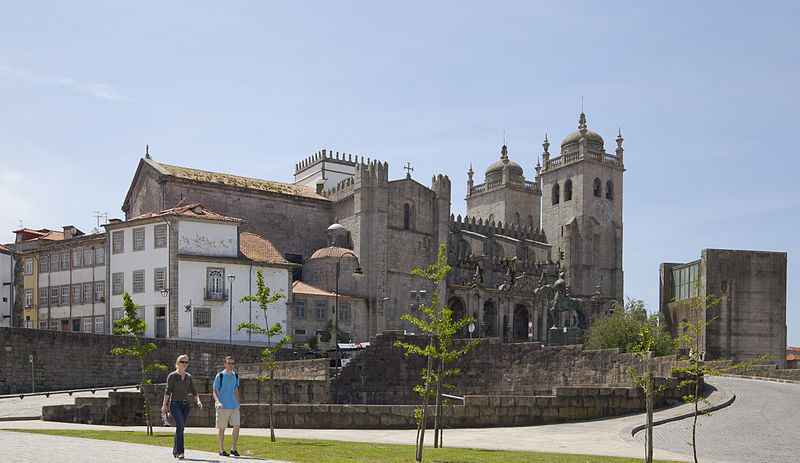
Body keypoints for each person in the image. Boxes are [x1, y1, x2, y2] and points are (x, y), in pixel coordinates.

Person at [161, 354, 202, 460]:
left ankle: (175, 450)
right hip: (175, 405)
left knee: (180, 428)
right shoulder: (172, 376)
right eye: (182, 362)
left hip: (186, 405)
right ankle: (180, 452)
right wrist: (164, 405)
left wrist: (198, 401)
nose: (184, 364)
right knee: (180, 427)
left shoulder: (188, 376)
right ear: (178, 363)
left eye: (186, 362)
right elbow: (167, 391)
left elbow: (193, 390)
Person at [213, 355, 241, 457]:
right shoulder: (219, 376)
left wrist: (238, 403)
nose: (231, 365)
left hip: (233, 406)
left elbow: (236, 390)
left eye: (232, 363)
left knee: (237, 426)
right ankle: (221, 449)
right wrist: (218, 402)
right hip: (222, 406)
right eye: (229, 363)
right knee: (222, 428)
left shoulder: (236, 376)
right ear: (225, 364)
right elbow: (214, 391)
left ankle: (233, 448)